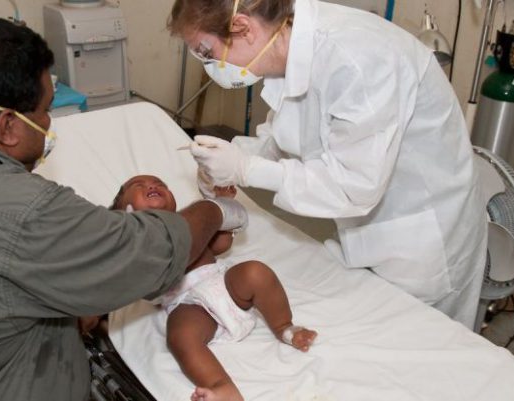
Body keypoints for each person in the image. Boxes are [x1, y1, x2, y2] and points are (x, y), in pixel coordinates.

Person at [0, 19, 248, 401]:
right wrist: (217, 209)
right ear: (9, 126)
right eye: (46, 110)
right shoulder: (20, 209)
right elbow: (153, 251)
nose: (49, 124)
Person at [168, 0, 488, 329]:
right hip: (368, 231)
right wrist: (229, 158)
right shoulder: (287, 49)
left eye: (207, 52)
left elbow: (353, 185)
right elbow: (284, 133)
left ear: (244, 28)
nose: (209, 65)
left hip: (423, 243)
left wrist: (246, 169)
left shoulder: (358, 59)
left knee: (423, 346)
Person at [112, 175, 316, 401]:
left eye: (162, 184)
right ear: (123, 210)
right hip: (189, 304)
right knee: (180, 335)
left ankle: (284, 326)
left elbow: (221, 244)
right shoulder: (134, 245)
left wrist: (221, 203)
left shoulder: (187, 224)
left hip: (224, 284)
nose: (153, 185)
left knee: (256, 272)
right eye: (138, 186)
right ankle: (221, 386)